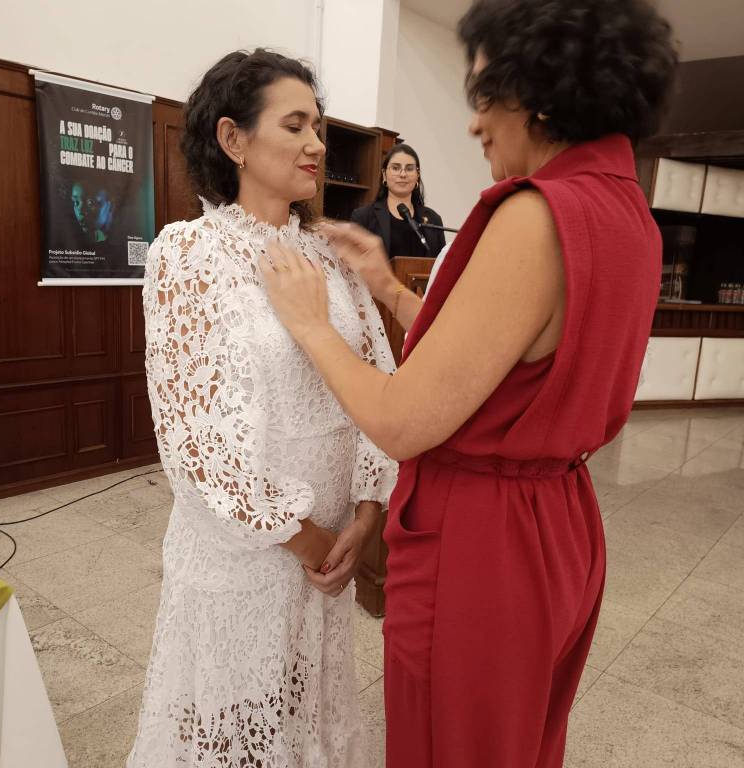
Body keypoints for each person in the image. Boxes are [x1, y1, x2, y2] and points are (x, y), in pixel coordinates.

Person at [258, 1, 678, 766]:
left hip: (485, 544)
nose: (475, 122)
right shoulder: (626, 213)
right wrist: (389, 288)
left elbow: (404, 421)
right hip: (558, 519)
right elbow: (496, 361)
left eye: (485, 93)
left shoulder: (537, 215)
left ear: (541, 90)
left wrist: (312, 324)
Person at [127, 49, 397, 768]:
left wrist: (365, 515)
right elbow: (193, 440)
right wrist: (304, 539)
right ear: (233, 139)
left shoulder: (333, 255)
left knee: (308, 715)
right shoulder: (191, 253)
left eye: (319, 128)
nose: (317, 145)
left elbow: (380, 380)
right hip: (246, 554)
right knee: (235, 729)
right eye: (295, 125)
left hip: (334, 546)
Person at [350, 144, 446, 258]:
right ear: (384, 175)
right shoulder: (363, 217)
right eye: (395, 168)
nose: (403, 174)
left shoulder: (434, 220)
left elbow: (442, 264)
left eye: (409, 169)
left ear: (417, 175)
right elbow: (353, 263)